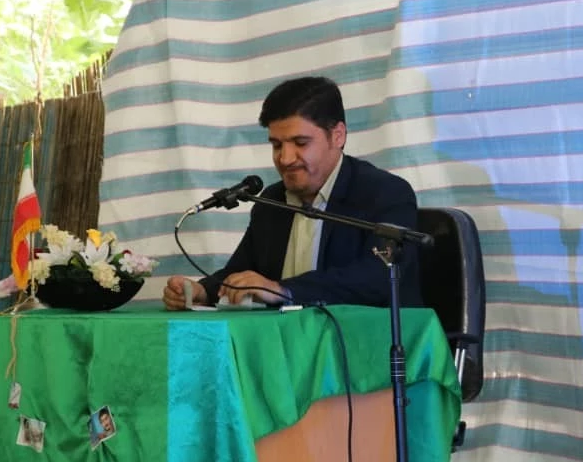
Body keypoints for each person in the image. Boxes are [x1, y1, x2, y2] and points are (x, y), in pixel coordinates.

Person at [162, 76, 423, 309]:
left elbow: (379, 277)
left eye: (300, 143)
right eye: (276, 145)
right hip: (289, 341)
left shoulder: (385, 193)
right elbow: (241, 271)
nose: (285, 159)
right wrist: (203, 291)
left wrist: (283, 291)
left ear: (338, 136)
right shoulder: (272, 201)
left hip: (366, 341)